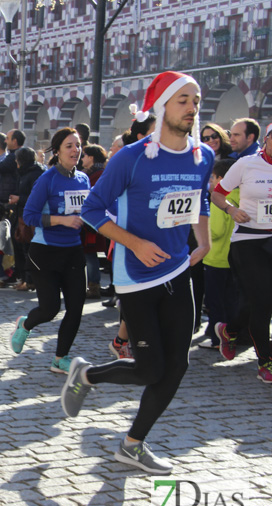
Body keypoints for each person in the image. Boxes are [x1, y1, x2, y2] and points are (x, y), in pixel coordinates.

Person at [62, 71, 213, 474]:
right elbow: (92, 210)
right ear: (162, 106)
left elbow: (201, 200)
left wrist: (204, 241)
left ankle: (132, 444)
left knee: (176, 364)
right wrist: (135, 243)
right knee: (149, 368)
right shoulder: (132, 157)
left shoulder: (203, 156)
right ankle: (87, 374)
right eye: (182, 100)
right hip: (136, 274)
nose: (191, 108)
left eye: (195, 100)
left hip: (178, 270)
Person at [10, 128, 90, 374]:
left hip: (73, 251)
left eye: (78, 145)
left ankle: (60, 358)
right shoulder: (47, 179)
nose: (75, 150)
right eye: (69, 146)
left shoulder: (83, 179)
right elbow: (31, 216)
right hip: (45, 252)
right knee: (50, 308)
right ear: (57, 151)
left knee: (76, 307)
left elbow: (86, 211)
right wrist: (62, 220)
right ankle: (25, 324)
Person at [210, 122, 272, 382]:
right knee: (262, 301)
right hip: (248, 241)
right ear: (266, 139)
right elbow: (217, 194)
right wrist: (232, 210)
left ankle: (230, 330)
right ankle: (266, 363)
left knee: (250, 303)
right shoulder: (246, 165)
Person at [198, 158, 237, 350]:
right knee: (230, 301)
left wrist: (199, 232)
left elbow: (216, 230)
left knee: (215, 302)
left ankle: (216, 339)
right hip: (233, 258)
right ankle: (230, 336)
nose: (210, 182)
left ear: (222, 179)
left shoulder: (219, 200)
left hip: (217, 258)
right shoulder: (241, 196)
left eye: (212, 177)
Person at [10, 147, 44, 291]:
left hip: (30, 217)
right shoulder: (22, 173)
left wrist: (19, 199)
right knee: (20, 247)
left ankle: (30, 280)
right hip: (20, 215)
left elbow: (37, 197)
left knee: (28, 249)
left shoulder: (36, 174)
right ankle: (24, 279)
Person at [80, 144, 109, 299]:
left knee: (90, 254)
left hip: (93, 220)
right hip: (86, 219)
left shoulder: (99, 174)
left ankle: (94, 285)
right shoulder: (88, 173)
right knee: (87, 254)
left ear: (91, 158)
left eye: (84, 155)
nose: (82, 158)